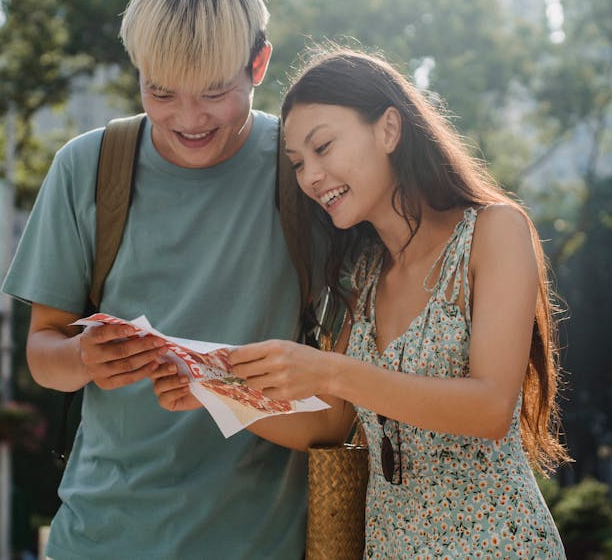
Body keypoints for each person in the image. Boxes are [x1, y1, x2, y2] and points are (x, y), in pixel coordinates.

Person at [154, 48, 570, 557]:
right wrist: (211, 387)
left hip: (497, 543)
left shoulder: (493, 231)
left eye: (323, 147)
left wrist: (330, 370)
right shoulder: (364, 276)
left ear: (389, 129)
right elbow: (329, 424)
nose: (310, 177)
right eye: (299, 163)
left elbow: (489, 408)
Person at [2, 0, 308, 560]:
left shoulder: (304, 168)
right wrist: (83, 357)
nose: (187, 121)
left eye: (215, 93)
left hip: (261, 540)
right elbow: (43, 353)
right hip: (101, 536)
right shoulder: (88, 167)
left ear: (259, 65)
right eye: (160, 91)